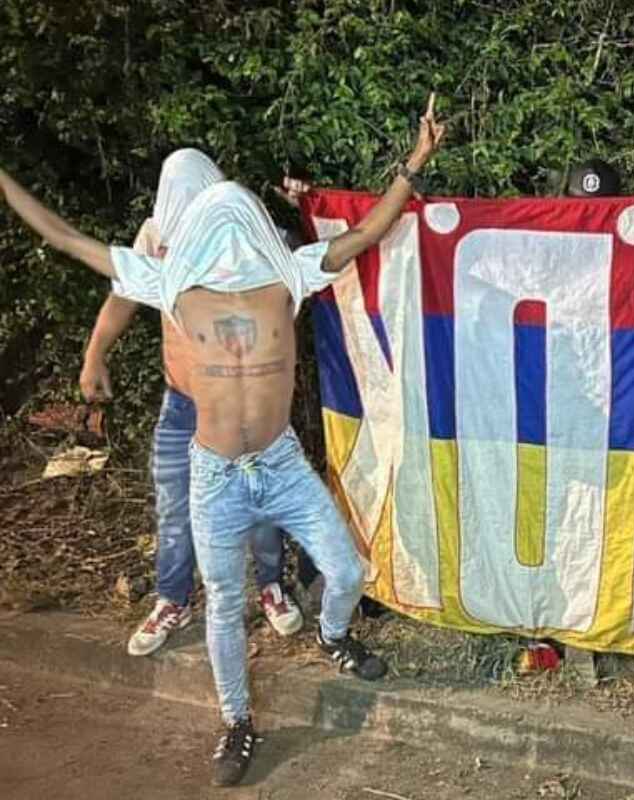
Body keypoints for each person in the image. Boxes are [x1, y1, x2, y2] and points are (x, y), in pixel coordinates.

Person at [0, 94, 445, 787]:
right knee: (224, 603)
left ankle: (333, 635)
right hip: (214, 473)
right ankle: (237, 722)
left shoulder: (291, 273)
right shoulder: (170, 281)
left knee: (348, 572)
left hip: (281, 466)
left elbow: (367, 234)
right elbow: (63, 236)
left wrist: (417, 162)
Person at [81, 149, 303, 656]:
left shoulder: (243, 232)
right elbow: (122, 299)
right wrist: (94, 355)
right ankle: (173, 599)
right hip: (182, 402)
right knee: (176, 507)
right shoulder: (155, 236)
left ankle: (270, 585)